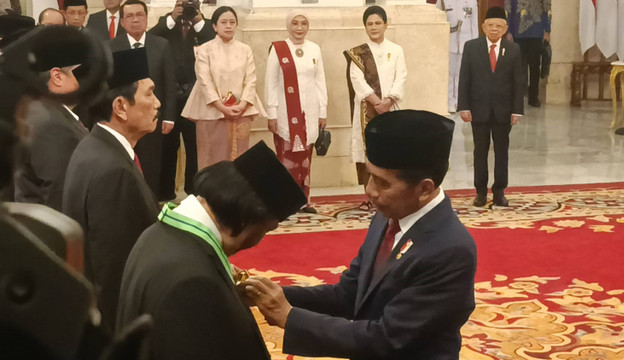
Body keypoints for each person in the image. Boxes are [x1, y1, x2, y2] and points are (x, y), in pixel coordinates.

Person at [242, 110, 477, 360]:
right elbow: (349, 295)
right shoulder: (388, 216)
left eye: (382, 183)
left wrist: (288, 317)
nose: (370, 191)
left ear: (424, 189)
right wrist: (266, 294)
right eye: (368, 176)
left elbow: (386, 338)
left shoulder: (449, 249)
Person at [116, 141, 307, 360]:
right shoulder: (194, 281)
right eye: (266, 230)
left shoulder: (159, 234)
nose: (259, 240)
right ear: (246, 219)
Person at [62, 48, 161, 334]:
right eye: (149, 93)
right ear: (120, 106)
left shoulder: (96, 146)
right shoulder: (113, 171)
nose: (157, 103)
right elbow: (116, 273)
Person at [108, 0, 177, 200]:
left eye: (139, 14)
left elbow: (169, 83)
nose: (135, 19)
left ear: (147, 18)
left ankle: (150, 205)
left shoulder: (161, 45)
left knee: (151, 165)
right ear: (122, 22)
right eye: (129, 16)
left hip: (152, 118)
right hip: (121, 120)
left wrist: (169, 117)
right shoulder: (112, 46)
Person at [182, 6, 264, 169]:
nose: (228, 26)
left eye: (232, 22)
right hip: (211, 112)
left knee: (239, 159)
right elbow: (204, 80)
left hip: (241, 111)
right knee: (212, 158)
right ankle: (210, 194)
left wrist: (242, 104)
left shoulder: (245, 49)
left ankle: (237, 194)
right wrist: (220, 106)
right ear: (214, 26)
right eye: (224, 22)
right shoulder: (205, 50)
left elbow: (251, 79)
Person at [458, 7, 524, 207]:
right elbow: (464, 79)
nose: (494, 29)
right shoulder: (471, 47)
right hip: (479, 110)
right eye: (490, 25)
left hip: (503, 112)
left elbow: (518, 82)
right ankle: (480, 191)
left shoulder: (513, 49)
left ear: (505, 29)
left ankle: (499, 191)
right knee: (480, 151)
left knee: (502, 151)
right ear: (483, 26)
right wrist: (464, 106)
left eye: (499, 26)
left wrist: (517, 110)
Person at [14, 36, 88, 211]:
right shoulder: (53, 125)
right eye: (85, 71)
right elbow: (60, 197)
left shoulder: (41, 109)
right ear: (57, 76)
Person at [150, 0, 215, 197]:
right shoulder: (166, 24)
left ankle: (194, 191)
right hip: (169, 98)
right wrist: (172, 17)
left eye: (190, 4)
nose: (186, 8)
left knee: (195, 147)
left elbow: (215, 41)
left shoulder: (205, 26)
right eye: (182, 3)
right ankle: (165, 192)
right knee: (168, 147)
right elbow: (150, 39)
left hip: (196, 97)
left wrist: (198, 20)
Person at [265, 10, 328, 213]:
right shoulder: (278, 49)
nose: (299, 28)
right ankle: (285, 203)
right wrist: (272, 112)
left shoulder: (315, 49)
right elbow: (271, 83)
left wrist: (322, 111)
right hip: (285, 112)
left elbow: (320, 81)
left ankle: (303, 201)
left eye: (303, 23)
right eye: (295, 23)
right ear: (288, 26)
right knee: (287, 159)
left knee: (305, 159)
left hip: (309, 112)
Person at [344, 5, 406, 210]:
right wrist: (375, 102)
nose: (374, 27)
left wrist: (388, 100)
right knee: (366, 151)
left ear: (386, 24)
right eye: (369, 24)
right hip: (366, 110)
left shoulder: (396, 50)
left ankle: (389, 195)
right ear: (365, 27)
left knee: (389, 151)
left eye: (378, 23)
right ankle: (370, 196)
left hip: (391, 108)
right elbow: (357, 80)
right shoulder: (358, 53)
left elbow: (401, 76)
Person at [504, 0, 551, 108]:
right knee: (518, 68)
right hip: (518, 32)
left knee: (535, 67)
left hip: (536, 31)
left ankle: (533, 97)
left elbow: (547, 7)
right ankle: (517, 98)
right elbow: (508, 8)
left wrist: (547, 30)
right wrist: (508, 31)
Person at [435, 0, 478, 113]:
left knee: (462, 74)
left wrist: (475, 45)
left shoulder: (472, 1)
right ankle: (449, 102)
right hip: (449, 42)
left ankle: (461, 102)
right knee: (449, 74)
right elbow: (437, 22)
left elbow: (474, 25)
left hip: (466, 42)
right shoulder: (442, 1)